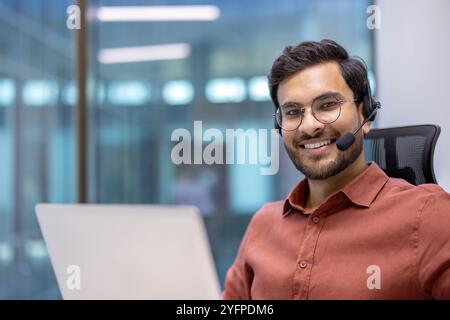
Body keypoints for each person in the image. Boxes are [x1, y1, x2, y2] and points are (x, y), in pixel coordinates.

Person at [222, 39, 450, 299]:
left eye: (328, 105)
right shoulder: (263, 225)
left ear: (364, 115)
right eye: (293, 111)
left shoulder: (430, 216)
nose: (309, 126)